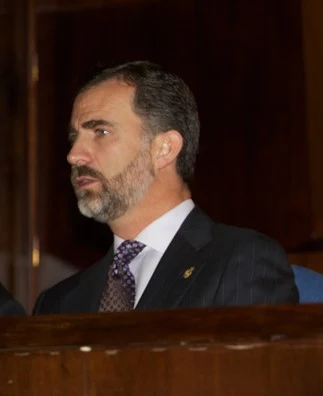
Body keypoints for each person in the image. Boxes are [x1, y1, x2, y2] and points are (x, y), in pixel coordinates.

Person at [33, 61, 298, 314]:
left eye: (101, 132)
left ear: (164, 149)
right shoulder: (57, 303)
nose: (74, 155)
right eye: (74, 138)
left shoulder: (241, 262)